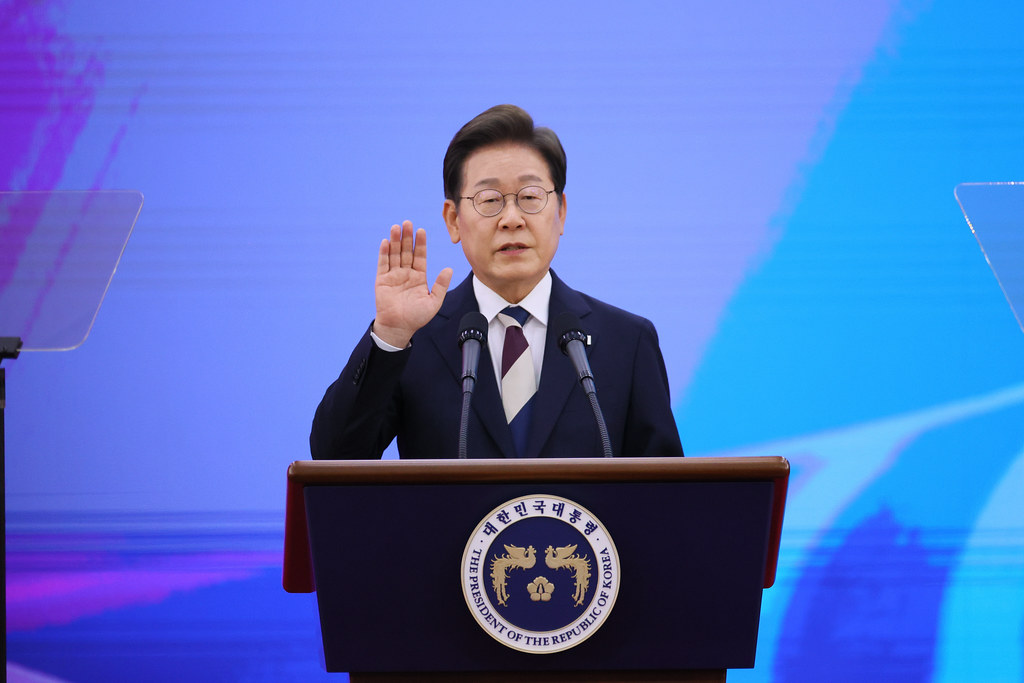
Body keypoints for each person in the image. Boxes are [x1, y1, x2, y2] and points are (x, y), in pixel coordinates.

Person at [310, 104, 683, 459]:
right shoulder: (414, 339)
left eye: (530, 197)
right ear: (453, 220)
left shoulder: (627, 342)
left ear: (561, 212)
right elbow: (334, 459)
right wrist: (390, 336)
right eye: (490, 200)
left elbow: (665, 493)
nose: (512, 219)